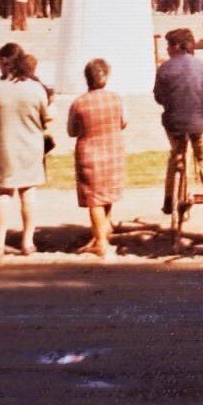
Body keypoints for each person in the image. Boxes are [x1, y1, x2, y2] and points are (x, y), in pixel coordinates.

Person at [0, 43, 52, 257]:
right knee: (28, 193)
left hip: (2, 147)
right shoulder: (34, 88)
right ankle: (27, 242)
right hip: (30, 146)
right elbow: (46, 116)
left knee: (3, 195)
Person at [154, 28, 203, 232]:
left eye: (168, 46)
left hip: (174, 125)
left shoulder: (164, 69)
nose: (166, 49)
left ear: (176, 46)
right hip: (199, 124)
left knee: (175, 155)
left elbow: (159, 98)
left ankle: (168, 199)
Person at [67, 58, 127, 259]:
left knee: (94, 199)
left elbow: (72, 130)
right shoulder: (116, 98)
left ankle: (100, 241)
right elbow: (123, 122)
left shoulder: (79, 103)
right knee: (106, 194)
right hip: (113, 148)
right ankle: (102, 233)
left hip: (90, 152)